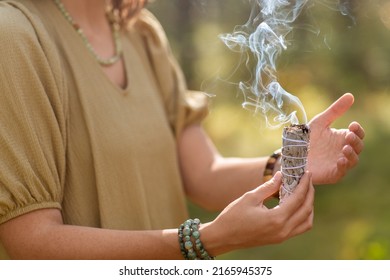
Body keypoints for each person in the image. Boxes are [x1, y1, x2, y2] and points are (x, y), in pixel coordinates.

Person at [0, 0, 364, 260]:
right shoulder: (14, 36)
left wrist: (286, 165)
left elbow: (203, 173)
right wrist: (201, 241)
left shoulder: (141, 33)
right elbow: (31, 241)